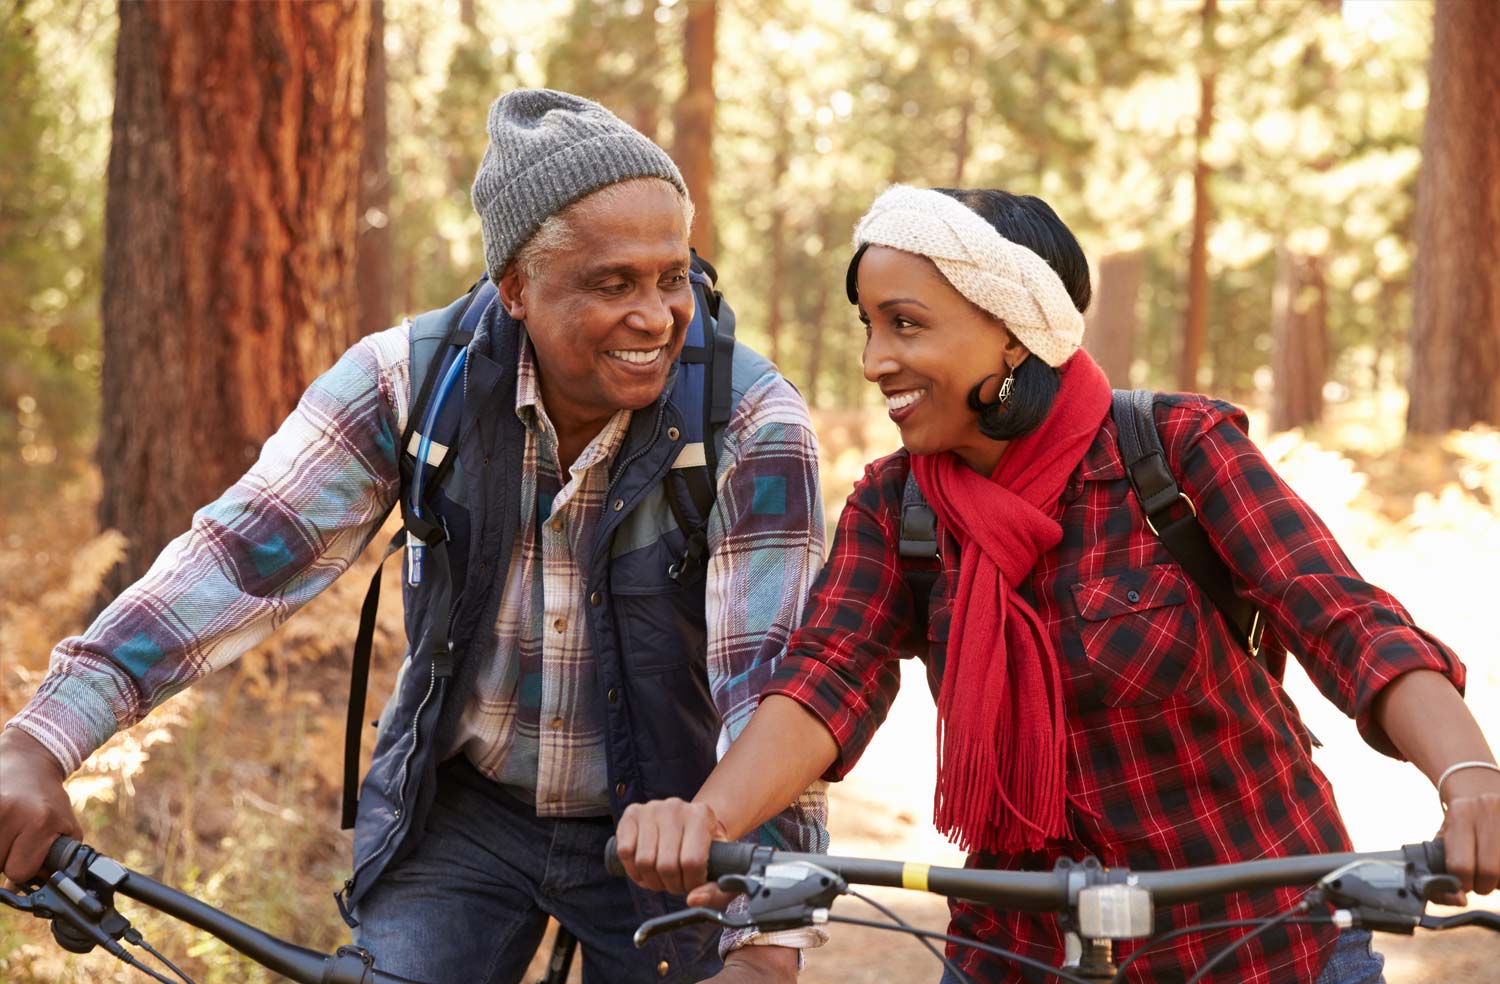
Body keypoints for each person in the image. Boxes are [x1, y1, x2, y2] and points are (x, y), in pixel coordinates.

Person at [0, 89, 827, 984]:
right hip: (464, 810)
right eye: (612, 283)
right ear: (514, 287)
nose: (660, 316)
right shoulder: (407, 381)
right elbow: (239, 559)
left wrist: (766, 939)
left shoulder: (750, 421)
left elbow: (776, 681)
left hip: (682, 821)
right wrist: (39, 743)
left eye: (672, 276)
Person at [616, 185, 1500, 983]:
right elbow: (825, 676)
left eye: (907, 324)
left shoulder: (1177, 452)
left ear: (1012, 329)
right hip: (1016, 957)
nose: (874, 360)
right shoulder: (895, 508)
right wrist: (711, 820)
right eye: (869, 326)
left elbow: (1344, 619)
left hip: (1264, 944)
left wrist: (1471, 779)